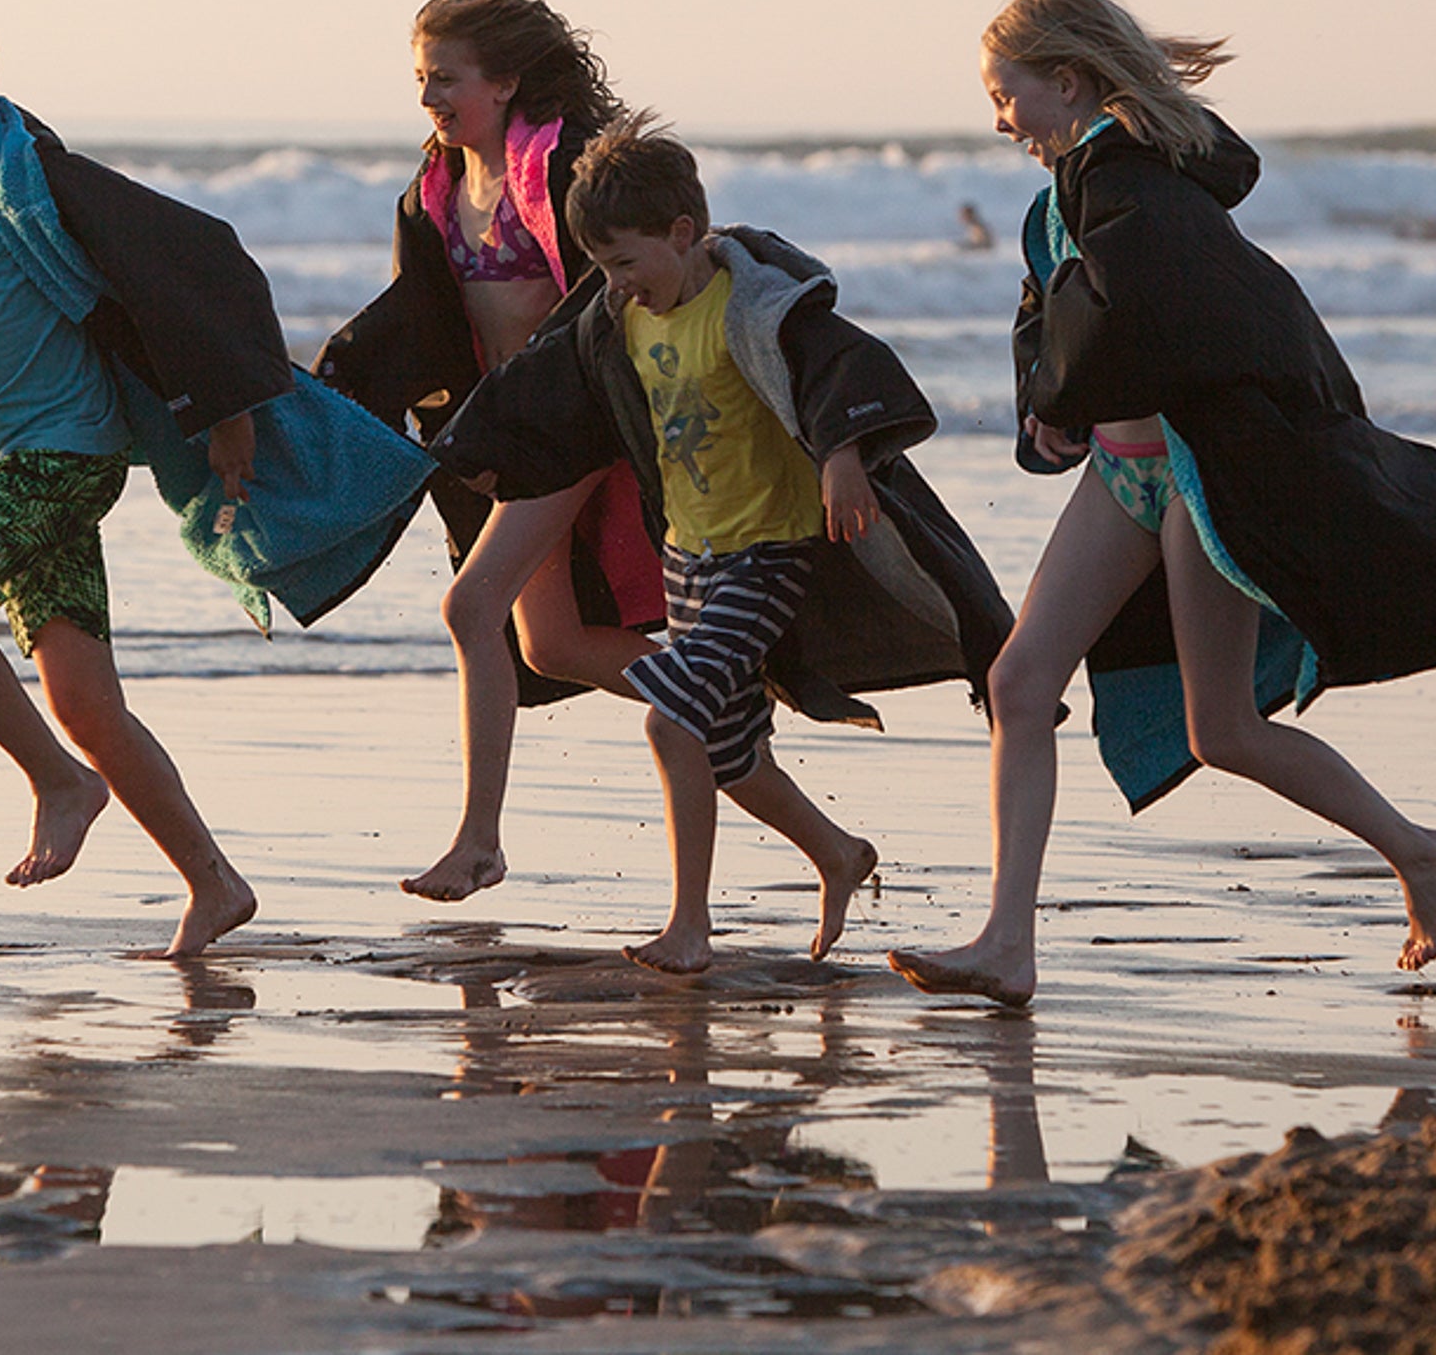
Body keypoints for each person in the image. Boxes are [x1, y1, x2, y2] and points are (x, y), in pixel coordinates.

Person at [891, 0, 1436, 1008]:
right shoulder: (1055, 206)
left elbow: (1188, 314)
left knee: (1224, 730)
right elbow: (1057, 326)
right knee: (1022, 682)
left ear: (1067, 80)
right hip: (1123, 477)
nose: (999, 118)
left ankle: (1422, 851)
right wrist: (1048, 408)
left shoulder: (1151, 189)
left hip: (1204, 476)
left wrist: (1079, 382)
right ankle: (1006, 942)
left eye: (1007, 91)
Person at [0, 0, 436, 957]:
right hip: (3, 466)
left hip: (66, 452)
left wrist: (228, 404)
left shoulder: (26, 179)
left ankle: (60, 782)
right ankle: (214, 881)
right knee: (86, 700)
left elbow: (189, 261)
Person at [433, 115, 1013, 973]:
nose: (617, 283)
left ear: (682, 233)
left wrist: (845, 453)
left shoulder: (757, 305)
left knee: (676, 723)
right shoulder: (620, 319)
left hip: (769, 553)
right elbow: (550, 380)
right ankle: (838, 851)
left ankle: (689, 925)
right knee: (732, 749)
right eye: (602, 268)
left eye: (628, 262)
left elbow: (841, 365)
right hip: (690, 556)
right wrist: (478, 452)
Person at [314, 0, 668, 902]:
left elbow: (616, 292)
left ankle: (478, 842)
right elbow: (418, 317)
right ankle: (713, 697)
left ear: (507, 80)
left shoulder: (558, 174)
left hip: (576, 421)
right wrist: (341, 378)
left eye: (447, 77)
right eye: (422, 77)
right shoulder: (437, 189)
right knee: (547, 642)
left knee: (472, 608)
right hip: (517, 431)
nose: (430, 96)